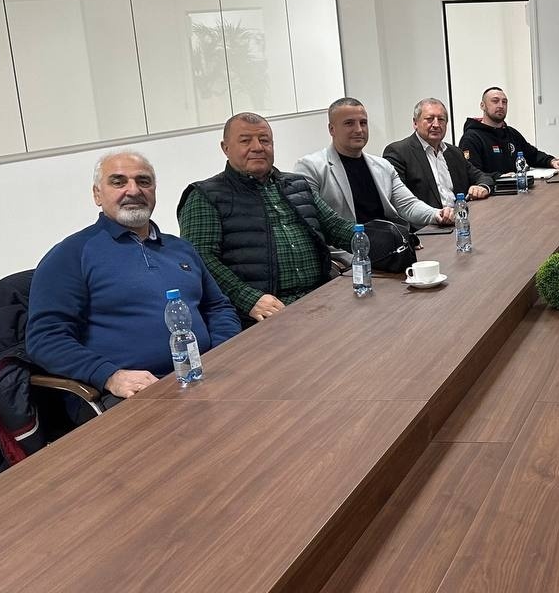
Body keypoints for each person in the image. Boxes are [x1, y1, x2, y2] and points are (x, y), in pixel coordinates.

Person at [28, 151, 240, 409]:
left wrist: (221, 353)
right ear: (97, 194)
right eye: (118, 182)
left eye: (143, 181)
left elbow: (217, 307)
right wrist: (109, 375)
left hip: (203, 375)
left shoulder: (180, 249)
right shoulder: (71, 255)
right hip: (131, 392)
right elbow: (45, 338)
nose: (134, 190)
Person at [179, 113, 360, 327]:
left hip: (321, 299)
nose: (257, 147)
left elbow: (336, 227)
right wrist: (248, 299)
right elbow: (199, 259)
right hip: (262, 314)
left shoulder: (297, 185)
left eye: (264, 140)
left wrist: (380, 241)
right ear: (225, 148)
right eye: (245, 141)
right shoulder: (205, 196)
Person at [294, 97, 453, 229]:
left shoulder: (383, 166)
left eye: (363, 123)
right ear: (331, 129)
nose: (359, 130)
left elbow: (408, 205)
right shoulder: (310, 167)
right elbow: (312, 223)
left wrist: (436, 214)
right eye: (349, 123)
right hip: (346, 252)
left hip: (389, 246)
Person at [384, 98, 494, 210]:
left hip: (460, 215)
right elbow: (400, 201)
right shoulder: (398, 152)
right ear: (415, 123)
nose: (436, 124)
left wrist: (482, 187)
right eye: (429, 119)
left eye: (441, 119)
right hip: (426, 220)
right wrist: (435, 215)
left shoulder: (454, 152)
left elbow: (482, 177)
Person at [459, 87, 559, 176]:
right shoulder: (471, 138)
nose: (501, 106)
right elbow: (472, 174)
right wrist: (500, 177)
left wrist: (552, 161)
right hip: (491, 192)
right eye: (495, 101)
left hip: (517, 188)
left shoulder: (510, 132)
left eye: (504, 102)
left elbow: (532, 155)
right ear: (482, 105)